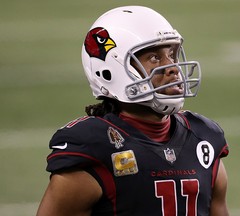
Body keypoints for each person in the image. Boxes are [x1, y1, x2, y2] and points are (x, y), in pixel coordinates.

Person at [37, 5, 229, 216]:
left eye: (172, 54)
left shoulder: (203, 138)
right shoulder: (93, 147)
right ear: (112, 69)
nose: (172, 67)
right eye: (155, 58)